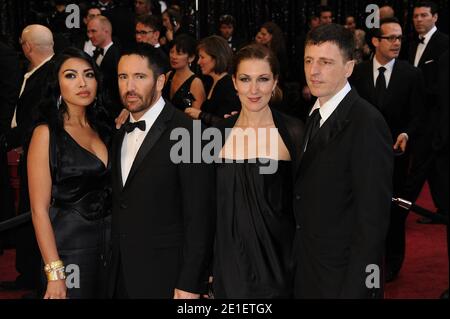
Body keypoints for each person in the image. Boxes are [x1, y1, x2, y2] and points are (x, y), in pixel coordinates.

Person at [293, 23, 394, 298]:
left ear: (349, 68)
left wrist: (357, 289)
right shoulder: (314, 113)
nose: (313, 71)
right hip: (308, 270)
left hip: (341, 279)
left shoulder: (367, 123)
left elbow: (372, 222)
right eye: (309, 60)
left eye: (325, 62)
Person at [108, 44, 215, 298]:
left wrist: (191, 281)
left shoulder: (190, 133)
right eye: (123, 77)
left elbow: (200, 215)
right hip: (120, 274)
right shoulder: (119, 130)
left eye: (139, 77)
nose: (129, 86)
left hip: (168, 276)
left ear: (160, 81)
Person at [212, 43, 304, 298]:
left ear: (275, 82)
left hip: (279, 267)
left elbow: (307, 206)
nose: (254, 90)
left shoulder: (295, 133)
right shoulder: (215, 135)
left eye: (263, 79)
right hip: (227, 269)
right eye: (245, 79)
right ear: (234, 82)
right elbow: (205, 208)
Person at [27, 47, 112, 299]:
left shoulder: (106, 128)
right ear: (57, 84)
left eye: (88, 74)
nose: (82, 83)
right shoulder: (46, 134)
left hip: (111, 248)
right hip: (69, 250)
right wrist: (55, 272)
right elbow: (38, 210)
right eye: (71, 76)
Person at [350, 17, 426, 282]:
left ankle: (392, 264)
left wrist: (405, 134)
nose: (396, 43)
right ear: (374, 41)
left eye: (399, 38)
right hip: (359, 158)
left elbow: (418, 115)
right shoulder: (356, 73)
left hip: (395, 158)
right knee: (360, 211)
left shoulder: (411, 74)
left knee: (394, 213)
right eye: (390, 38)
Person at [0, 24, 55, 293]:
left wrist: (14, 140)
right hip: (28, 151)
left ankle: (36, 279)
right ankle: (29, 276)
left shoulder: (50, 75)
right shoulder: (36, 73)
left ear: (27, 47)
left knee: (35, 213)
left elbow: (38, 118)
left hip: (40, 156)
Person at [406, 1, 449, 224]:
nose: (419, 20)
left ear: (435, 17)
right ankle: (442, 209)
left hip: (436, 119)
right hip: (418, 116)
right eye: (415, 16)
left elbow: (443, 89)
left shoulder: (444, 43)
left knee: (424, 166)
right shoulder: (412, 45)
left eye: (423, 15)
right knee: (433, 169)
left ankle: (400, 207)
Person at [184, 35, 240, 126]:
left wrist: (200, 114)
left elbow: (228, 123)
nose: (198, 62)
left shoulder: (229, 85)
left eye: (202, 57)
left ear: (216, 58)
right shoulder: (210, 82)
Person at [162, 34, 205, 111]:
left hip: (186, 123)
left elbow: (197, 119)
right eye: (172, 52)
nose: (173, 57)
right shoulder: (169, 75)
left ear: (191, 57)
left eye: (179, 54)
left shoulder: (195, 83)